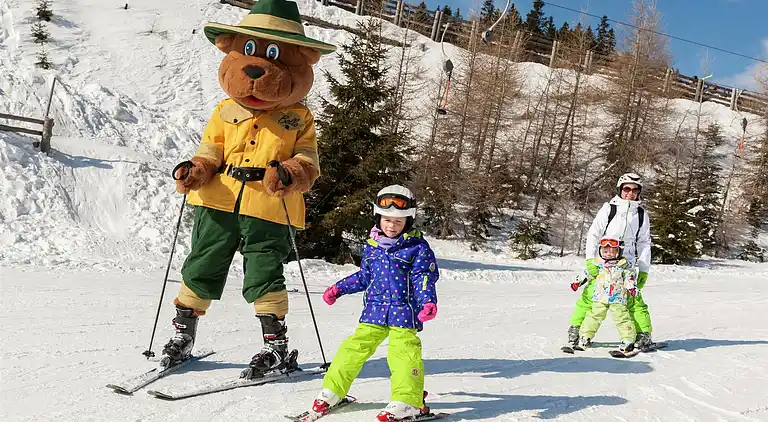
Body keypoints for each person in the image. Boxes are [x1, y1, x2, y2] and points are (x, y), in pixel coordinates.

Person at [160, 0, 337, 378]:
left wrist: (291, 172)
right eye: (252, 52)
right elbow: (211, 147)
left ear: (301, 61)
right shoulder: (225, 110)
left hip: (270, 208)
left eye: (274, 54)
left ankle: (275, 346)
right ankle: (182, 336)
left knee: (263, 273)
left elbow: (309, 160)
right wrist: (197, 168)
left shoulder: (299, 117)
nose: (257, 68)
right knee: (202, 265)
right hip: (219, 200)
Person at [307, 185, 440, 421]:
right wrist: (338, 288)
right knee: (352, 349)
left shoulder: (417, 248)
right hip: (374, 312)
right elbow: (364, 277)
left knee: (403, 355)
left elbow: (424, 276)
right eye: (387, 220)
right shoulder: (372, 246)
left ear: (408, 222)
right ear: (378, 218)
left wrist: (428, 301)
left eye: (398, 221)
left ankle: (408, 401)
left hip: (404, 313)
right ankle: (332, 391)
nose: (392, 225)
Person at [567, 173, 654, 349]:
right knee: (590, 297)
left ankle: (643, 334)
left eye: (635, 190)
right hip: (603, 259)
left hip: (625, 264)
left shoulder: (642, 214)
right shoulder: (609, 209)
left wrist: (643, 269)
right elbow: (594, 234)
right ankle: (577, 329)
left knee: (634, 300)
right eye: (626, 189)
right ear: (620, 190)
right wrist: (591, 260)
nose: (630, 193)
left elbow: (644, 242)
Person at [577, 237, 639, 352]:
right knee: (593, 317)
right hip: (600, 297)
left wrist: (632, 288)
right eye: (605, 251)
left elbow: (629, 278)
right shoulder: (599, 265)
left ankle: (628, 340)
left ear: (618, 252)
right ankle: (585, 336)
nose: (608, 254)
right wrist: (578, 281)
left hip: (618, 298)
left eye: (612, 251)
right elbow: (588, 273)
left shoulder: (624, 266)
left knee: (622, 318)